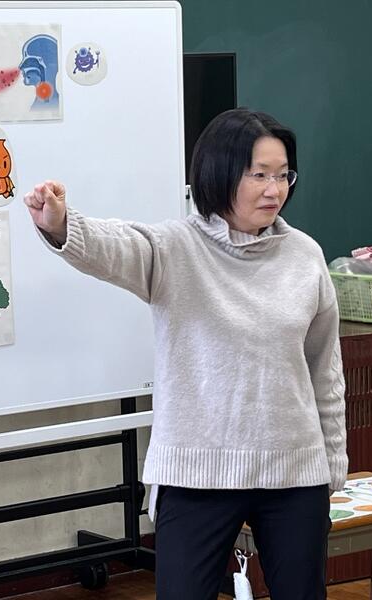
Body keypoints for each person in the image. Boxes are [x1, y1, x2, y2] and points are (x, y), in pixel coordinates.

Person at [24, 108, 347, 600]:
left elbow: (325, 370)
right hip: (196, 472)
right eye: (259, 175)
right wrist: (61, 224)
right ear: (220, 173)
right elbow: (115, 246)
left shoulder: (305, 255)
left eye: (283, 175)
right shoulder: (174, 248)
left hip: (293, 470)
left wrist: (333, 460)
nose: (274, 190)